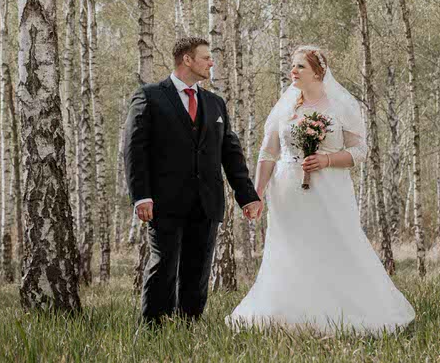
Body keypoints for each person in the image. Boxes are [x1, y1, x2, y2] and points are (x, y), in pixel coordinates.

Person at [228, 45, 415, 334]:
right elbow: (267, 154)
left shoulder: (342, 106)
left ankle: (341, 313)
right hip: (288, 191)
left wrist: (327, 159)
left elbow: (361, 150)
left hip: (329, 189)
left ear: (318, 72)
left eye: (300, 66)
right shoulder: (286, 107)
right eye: (292, 65)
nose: (293, 71)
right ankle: (288, 314)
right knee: (290, 251)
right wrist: (257, 194)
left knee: (333, 246)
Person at [123, 35, 263, 326]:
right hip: (164, 202)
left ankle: (189, 329)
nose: (211, 62)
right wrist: (141, 196)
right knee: (163, 267)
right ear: (187, 60)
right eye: (205, 57)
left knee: (198, 270)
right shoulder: (149, 96)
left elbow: (230, 151)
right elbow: (134, 149)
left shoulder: (215, 103)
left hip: (206, 202)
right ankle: (155, 331)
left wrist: (247, 196)